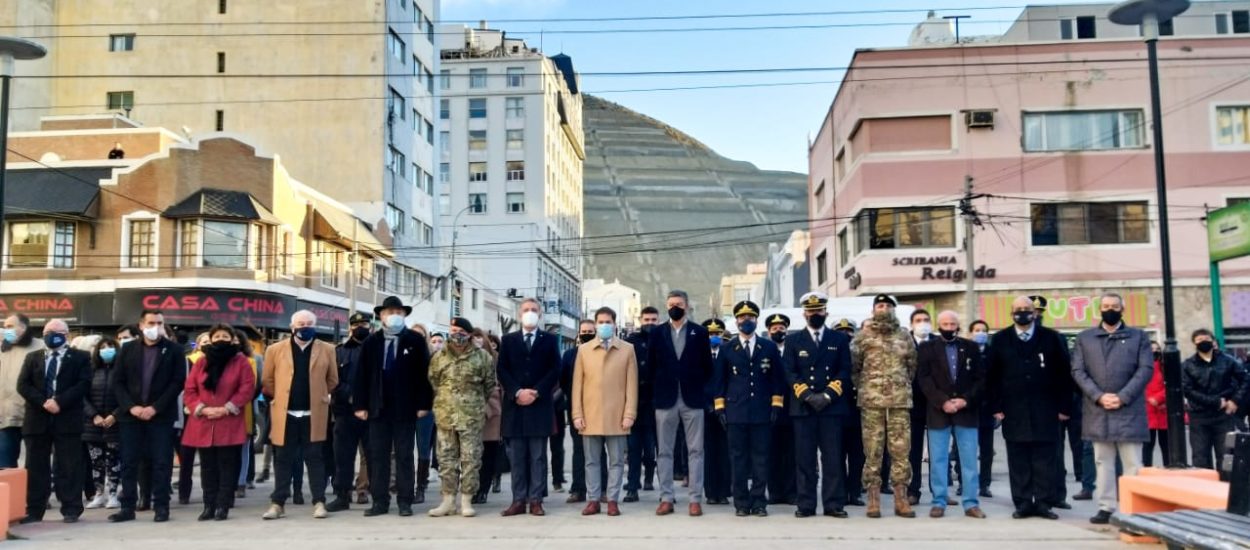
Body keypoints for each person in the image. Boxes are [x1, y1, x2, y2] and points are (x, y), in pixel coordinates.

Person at [987, 296, 1072, 521]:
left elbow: (1065, 374)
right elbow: (992, 376)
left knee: (1045, 458)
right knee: (1018, 458)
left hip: (1047, 409)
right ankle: (1023, 502)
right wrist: (995, 407)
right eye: (1018, 309)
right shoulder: (1000, 339)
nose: (1022, 313)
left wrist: (1065, 406)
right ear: (1011, 313)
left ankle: (1044, 502)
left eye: (1027, 309)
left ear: (1035, 313)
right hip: (1013, 410)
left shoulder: (1052, 338)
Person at [1071, 293, 1154, 525]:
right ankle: (1106, 507)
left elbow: (1145, 369)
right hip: (1098, 410)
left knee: (1133, 463)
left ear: (1123, 309)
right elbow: (1078, 371)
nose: (1110, 310)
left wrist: (1122, 396)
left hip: (1129, 409)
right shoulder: (1085, 338)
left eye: (1114, 306)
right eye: (1106, 306)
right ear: (1099, 309)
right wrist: (1099, 396)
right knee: (1102, 461)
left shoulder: (1139, 336)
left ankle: (1133, 508)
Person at [354, 296, 432, 517]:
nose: (394, 316)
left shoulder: (415, 341)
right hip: (378, 408)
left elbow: (425, 376)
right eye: (389, 312)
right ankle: (380, 500)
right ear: (381, 316)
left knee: (405, 455)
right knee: (378, 456)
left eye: (398, 312)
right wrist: (360, 405)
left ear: (404, 315)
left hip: (405, 408)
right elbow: (361, 376)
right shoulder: (372, 342)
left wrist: (424, 404)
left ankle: (405, 500)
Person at [110, 309, 187, 523]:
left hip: (160, 417)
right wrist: (131, 407)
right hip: (131, 416)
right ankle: (127, 508)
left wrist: (155, 408)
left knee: (162, 462)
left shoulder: (174, 350)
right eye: (151, 323)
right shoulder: (128, 350)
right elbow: (117, 382)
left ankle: (161, 507)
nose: (156, 327)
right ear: (141, 325)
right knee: (129, 462)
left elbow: (177, 382)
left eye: (160, 323)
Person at [261, 311, 339, 520]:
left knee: (315, 459)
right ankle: (278, 503)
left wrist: (320, 395)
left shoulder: (328, 349)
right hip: (285, 413)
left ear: (316, 324)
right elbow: (268, 381)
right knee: (283, 459)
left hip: (314, 413)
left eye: (309, 323)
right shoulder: (275, 350)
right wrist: (282, 396)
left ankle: (319, 501)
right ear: (292, 326)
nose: (304, 327)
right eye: (300, 323)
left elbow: (332, 379)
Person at [782, 294, 853, 518]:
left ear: (826, 313)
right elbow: (790, 372)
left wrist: (828, 395)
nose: (815, 315)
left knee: (833, 459)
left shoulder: (838, 340)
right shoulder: (793, 340)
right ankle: (806, 504)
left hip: (831, 408)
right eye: (811, 312)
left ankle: (833, 504)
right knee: (805, 459)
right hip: (804, 408)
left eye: (819, 311)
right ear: (804, 314)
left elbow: (845, 370)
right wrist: (808, 396)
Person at [714, 301, 784, 517]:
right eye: (742, 318)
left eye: (751, 318)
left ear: (756, 320)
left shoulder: (769, 347)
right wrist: (720, 408)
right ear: (736, 321)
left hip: (762, 411)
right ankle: (742, 503)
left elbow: (777, 379)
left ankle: (759, 502)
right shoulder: (727, 349)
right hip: (736, 411)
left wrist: (776, 404)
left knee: (761, 458)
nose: (746, 321)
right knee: (738, 459)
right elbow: (719, 381)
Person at [16, 319, 91, 524]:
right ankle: (34, 509)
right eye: (48, 331)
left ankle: (71, 508)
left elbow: (83, 384)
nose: (52, 335)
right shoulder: (33, 357)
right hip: (37, 418)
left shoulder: (80, 357)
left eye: (57, 331)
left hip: (67, 418)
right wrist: (44, 403)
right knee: (36, 466)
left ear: (66, 335)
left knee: (69, 465)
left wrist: (59, 402)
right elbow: (23, 385)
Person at [649, 289, 715, 517]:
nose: (674, 307)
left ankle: (695, 499)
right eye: (670, 304)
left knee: (696, 450)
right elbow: (651, 368)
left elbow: (708, 368)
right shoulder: (657, 333)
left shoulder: (700, 332)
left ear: (686, 306)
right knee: (664, 451)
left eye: (678, 303)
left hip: (692, 400)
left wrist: (703, 395)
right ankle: (666, 497)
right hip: (665, 400)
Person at [853, 294, 918, 519]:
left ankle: (901, 498)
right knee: (872, 451)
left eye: (888, 306)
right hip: (871, 403)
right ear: (873, 310)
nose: (884, 309)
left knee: (901, 451)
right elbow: (855, 368)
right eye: (880, 305)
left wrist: (898, 385)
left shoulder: (904, 336)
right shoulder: (862, 336)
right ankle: (873, 499)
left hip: (899, 402)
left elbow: (912, 366)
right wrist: (868, 388)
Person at [182, 324, 255, 521]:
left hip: (228, 420)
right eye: (217, 336)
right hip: (203, 421)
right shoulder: (201, 362)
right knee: (207, 467)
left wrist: (227, 407)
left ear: (232, 339)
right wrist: (202, 408)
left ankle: (223, 506)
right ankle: (208, 505)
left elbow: (247, 387)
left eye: (225, 336)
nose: (220, 339)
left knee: (227, 465)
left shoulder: (240, 361)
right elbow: (190, 389)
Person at [917, 311, 986, 519]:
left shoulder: (971, 347)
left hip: (966, 411)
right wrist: (943, 401)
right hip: (939, 411)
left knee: (968, 460)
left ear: (958, 325)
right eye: (945, 323)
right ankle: (939, 501)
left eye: (952, 323)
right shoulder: (927, 348)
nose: (949, 326)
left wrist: (965, 399)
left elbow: (980, 378)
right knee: (938, 459)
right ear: (938, 326)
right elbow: (924, 379)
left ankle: (971, 503)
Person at [497, 297, 561, 517]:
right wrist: (517, 392)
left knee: (537, 457)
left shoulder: (550, 340)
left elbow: (555, 369)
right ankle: (518, 499)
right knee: (516, 457)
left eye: (534, 310)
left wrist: (536, 392)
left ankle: (536, 499)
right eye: (526, 310)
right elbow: (502, 370)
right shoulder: (508, 340)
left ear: (540, 314)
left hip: (539, 405)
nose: (530, 313)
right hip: (514, 407)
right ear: (519, 314)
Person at [572, 307, 638, 516]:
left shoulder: (627, 349)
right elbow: (577, 386)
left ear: (615, 324)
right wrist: (577, 414)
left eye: (607, 322)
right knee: (591, 460)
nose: (604, 325)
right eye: (600, 322)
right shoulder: (584, 350)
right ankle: (593, 500)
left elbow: (631, 385)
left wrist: (629, 414)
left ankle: (612, 499)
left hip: (617, 415)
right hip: (590, 413)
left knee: (617, 461)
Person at [427, 317, 496, 518]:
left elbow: (489, 385)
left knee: (470, 459)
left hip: (471, 417)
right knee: (446, 459)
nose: (456, 334)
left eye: (461, 331)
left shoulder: (482, 357)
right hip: (446, 416)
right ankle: (448, 501)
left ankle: (466, 499)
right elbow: (434, 381)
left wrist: (472, 402)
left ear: (468, 334)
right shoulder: (439, 357)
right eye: (453, 329)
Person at [1182, 328, 1248, 470]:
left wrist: (1235, 400)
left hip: (1223, 416)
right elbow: (1187, 390)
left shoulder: (1228, 361)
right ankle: (1204, 490)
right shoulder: (1188, 365)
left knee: (1226, 457)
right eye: (1199, 340)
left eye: (1206, 339)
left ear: (1213, 341)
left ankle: (1225, 490)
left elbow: (1245, 379)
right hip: (1199, 416)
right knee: (1200, 458)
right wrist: (1215, 402)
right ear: (1194, 343)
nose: (1203, 342)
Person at [328, 313, 372, 511]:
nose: (360, 327)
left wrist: (365, 400)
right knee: (343, 457)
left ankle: (374, 494)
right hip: (345, 412)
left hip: (372, 413)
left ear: (370, 326)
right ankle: (342, 496)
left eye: (364, 323)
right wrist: (351, 397)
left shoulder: (376, 349)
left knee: (374, 457)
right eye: (356, 324)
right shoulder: (339, 351)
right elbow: (332, 380)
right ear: (350, 327)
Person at [623, 306, 660, 503]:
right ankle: (632, 486)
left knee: (655, 448)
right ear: (640, 320)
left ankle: (652, 481)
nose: (650, 323)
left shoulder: (664, 339)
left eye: (654, 320)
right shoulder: (630, 342)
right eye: (647, 319)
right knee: (634, 448)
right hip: (634, 402)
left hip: (657, 402)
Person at [1, 314, 45, 468]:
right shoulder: (3, 348)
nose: (6, 330)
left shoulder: (41, 346)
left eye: (10, 326)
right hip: (6, 417)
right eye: (5, 327)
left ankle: (32, 492)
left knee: (35, 464)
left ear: (24, 327)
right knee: (5, 466)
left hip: (33, 415)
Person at [84, 338, 122, 510]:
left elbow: (128, 395)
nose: (107, 350)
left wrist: (115, 415)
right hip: (94, 425)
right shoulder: (91, 370)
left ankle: (113, 494)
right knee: (96, 462)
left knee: (113, 461)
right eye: (103, 348)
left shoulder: (122, 370)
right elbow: (83, 396)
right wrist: (94, 415)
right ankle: (99, 494)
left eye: (111, 347)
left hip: (115, 424)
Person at [832, 317, 866, 507]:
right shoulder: (832, 353)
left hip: (857, 412)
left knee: (856, 456)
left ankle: (854, 492)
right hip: (836, 412)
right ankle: (839, 492)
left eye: (849, 331)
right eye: (841, 331)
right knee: (836, 456)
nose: (845, 334)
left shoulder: (859, 354)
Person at [765, 313, 798, 506]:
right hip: (770, 407)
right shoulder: (765, 349)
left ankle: (791, 492)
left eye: (781, 327)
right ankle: (775, 492)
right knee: (771, 452)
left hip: (792, 407)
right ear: (769, 331)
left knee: (792, 453)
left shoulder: (792, 348)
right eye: (774, 328)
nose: (779, 330)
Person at [561, 320, 596, 504]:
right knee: (579, 450)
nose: (587, 334)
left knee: (599, 451)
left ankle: (601, 489)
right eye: (584, 331)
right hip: (577, 408)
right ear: (578, 334)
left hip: (598, 408)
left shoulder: (602, 353)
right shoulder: (570, 355)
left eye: (591, 331)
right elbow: (563, 380)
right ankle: (578, 489)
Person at [701, 318, 732, 507]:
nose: (713, 337)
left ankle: (724, 491)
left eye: (717, 334)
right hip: (704, 409)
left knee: (726, 451)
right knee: (708, 452)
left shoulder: (728, 352)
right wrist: (707, 404)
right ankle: (711, 492)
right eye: (710, 334)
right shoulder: (698, 353)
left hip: (727, 408)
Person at [474, 334, 504, 505]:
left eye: (480, 340)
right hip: (468, 414)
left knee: (488, 454)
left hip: (491, 413)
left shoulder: (494, 360)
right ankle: (472, 488)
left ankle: (483, 490)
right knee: (472, 457)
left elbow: (497, 386)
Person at [1143, 341, 1170, 468]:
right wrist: (1150, 399)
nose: (1154, 351)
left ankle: (1168, 468)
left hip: (1163, 409)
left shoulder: (1166, 366)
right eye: (1151, 349)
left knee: (1166, 445)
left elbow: (1171, 386)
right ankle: (1147, 470)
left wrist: (1159, 398)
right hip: (1147, 409)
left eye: (1157, 349)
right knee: (1148, 444)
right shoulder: (1141, 367)